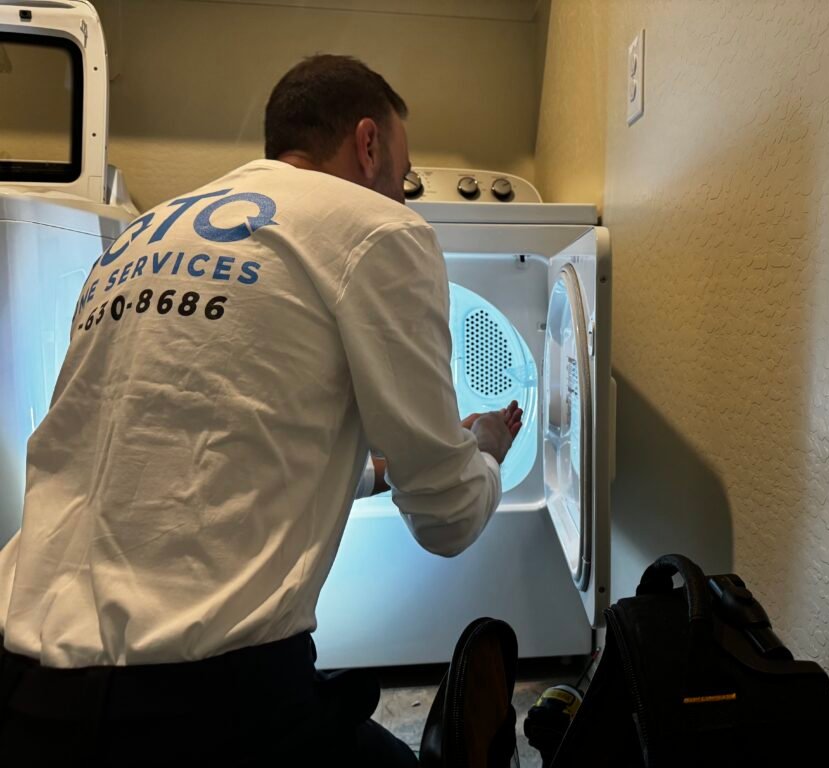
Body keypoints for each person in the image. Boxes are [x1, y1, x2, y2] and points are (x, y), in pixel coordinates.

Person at [0, 54, 523, 765]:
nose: (400, 198)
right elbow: (447, 515)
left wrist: (369, 470)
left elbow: (216, 435)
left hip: (26, 691)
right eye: (402, 178)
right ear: (368, 144)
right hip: (206, 707)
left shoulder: (142, 235)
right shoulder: (377, 228)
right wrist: (485, 450)